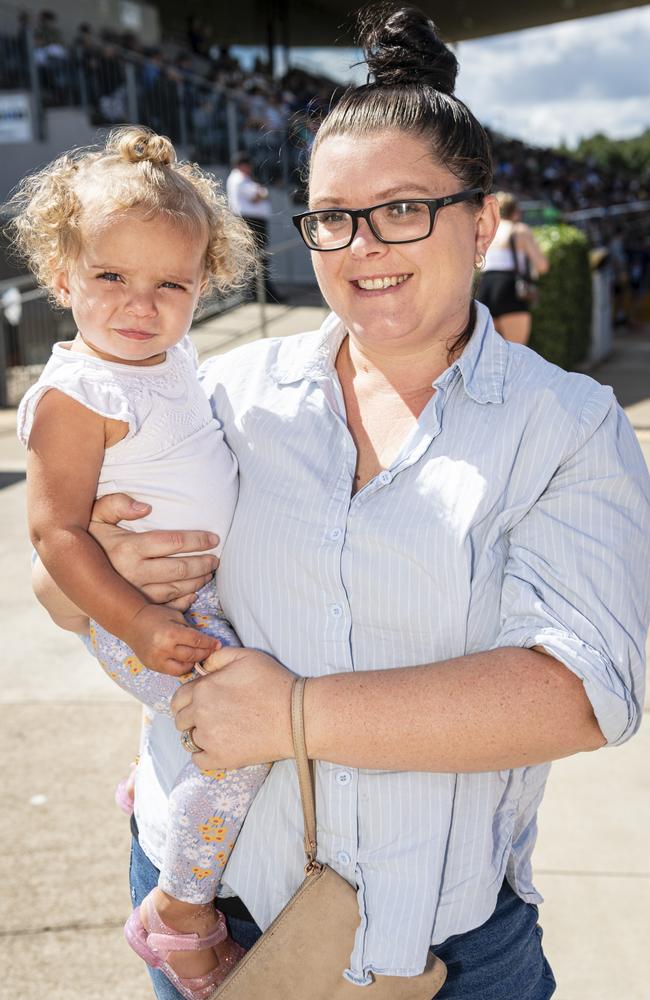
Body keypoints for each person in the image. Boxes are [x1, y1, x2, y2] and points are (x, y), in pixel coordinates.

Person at [34, 7, 650, 1000]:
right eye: (331, 216)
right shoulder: (221, 393)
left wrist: (293, 714)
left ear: (481, 221)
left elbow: (579, 694)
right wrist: (88, 581)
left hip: (446, 956)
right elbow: (71, 574)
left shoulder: (568, 426)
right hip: (207, 914)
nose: (361, 246)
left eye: (402, 208)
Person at [11, 126, 270, 1000]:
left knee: (226, 722)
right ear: (61, 278)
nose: (140, 304)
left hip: (189, 608)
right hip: (143, 614)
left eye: (171, 284)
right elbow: (57, 537)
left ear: (204, 286)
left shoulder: (175, 361)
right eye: (111, 277)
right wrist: (142, 619)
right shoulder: (76, 396)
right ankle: (181, 915)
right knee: (240, 742)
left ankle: (155, 785)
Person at [475, 191, 549, 345]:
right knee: (516, 353)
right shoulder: (519, 230)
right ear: (515, 212)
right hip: (509, 288)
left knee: (489, 353)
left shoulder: (483, 232)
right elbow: (542, 266)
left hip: (483, 288)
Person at [225, 150, 284, 302]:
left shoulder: (243, 178)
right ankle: (258, 294)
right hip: (250, 223)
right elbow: (256, 197)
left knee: (257, 258)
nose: (250, 168)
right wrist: (262, 192)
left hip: (253, 222)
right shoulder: (238, 178)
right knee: (257, 258)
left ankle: (259, 294)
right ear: (241, 165)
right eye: (247, 165)